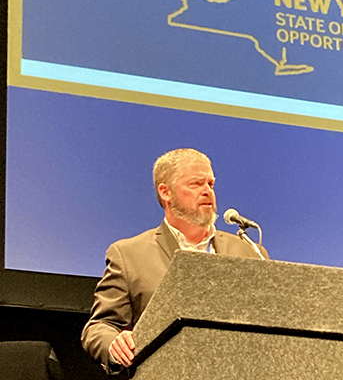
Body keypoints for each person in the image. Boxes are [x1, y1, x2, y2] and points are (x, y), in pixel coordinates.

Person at [81, 148, 269, 374]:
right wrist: (114, 343)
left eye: (210, 184)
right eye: (196, 184)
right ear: (165, 192)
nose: (207, 191)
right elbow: (99, 326)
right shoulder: (129, 254)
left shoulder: (249, 251)